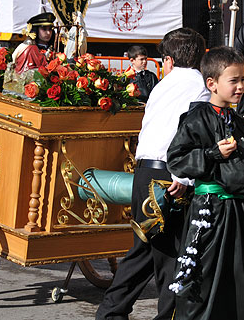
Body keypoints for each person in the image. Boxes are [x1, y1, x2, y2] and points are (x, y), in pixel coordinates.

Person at [96, 28, 210, 320]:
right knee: (166, 253)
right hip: (171, 176)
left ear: (168, 60)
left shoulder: (161, 85)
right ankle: (114, 312)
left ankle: (116, 312)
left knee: (155, 252)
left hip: (146, 171)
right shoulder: (200, 88)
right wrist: (184, 176)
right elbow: (191, 134)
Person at [166, 46, 244, 320]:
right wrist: (212, 154)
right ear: (212, 84)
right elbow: (177, 159)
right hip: (212, 213)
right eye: (234, 81)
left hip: (242, 215)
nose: (241, 87)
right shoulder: (196, 119)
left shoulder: (240, 123)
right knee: (204, 278)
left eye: (243, 80)